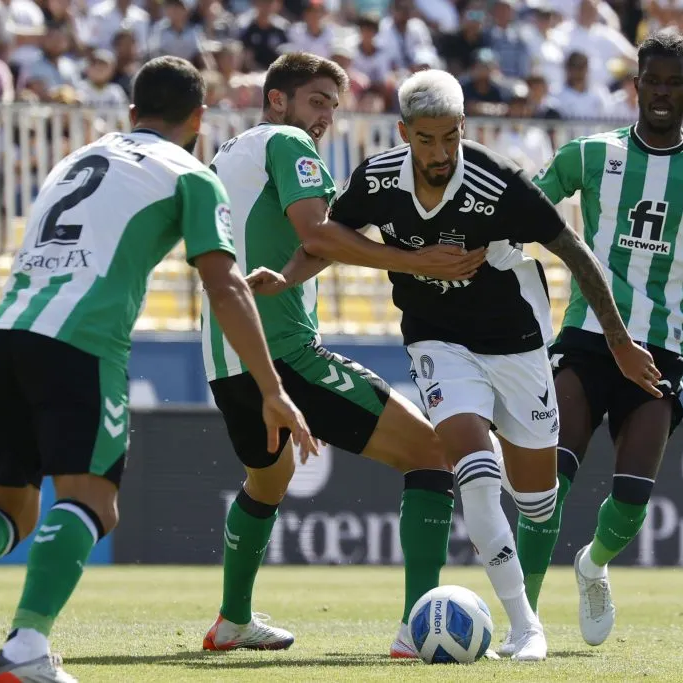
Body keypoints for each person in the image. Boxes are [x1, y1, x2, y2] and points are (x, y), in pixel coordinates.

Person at [0, 56, 315, 683]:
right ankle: (24, 650)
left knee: (10, 510)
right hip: (81, 343)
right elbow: (226, 286)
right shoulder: (190, 174)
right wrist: (271, 387)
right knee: (93, 502)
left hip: (0, 336)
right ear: (199, 119)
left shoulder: (76, 158)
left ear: (131, 113)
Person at [264, 67, 660, 661]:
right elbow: (327, 238)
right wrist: (286, 279)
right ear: (403, 133)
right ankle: (526, 627)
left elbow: (575, 253)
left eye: (451, 136)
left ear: (462, 128)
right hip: (436, 341)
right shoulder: (375, 180)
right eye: (426, 139)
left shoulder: (499, 182)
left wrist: (620, 343)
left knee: (538, 500)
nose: (441, 151)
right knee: (473, 475)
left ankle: (511, 501)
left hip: (518, 343)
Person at [200, 52, 487, 657]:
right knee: (432, 454)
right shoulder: (288, 143)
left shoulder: (230, 154)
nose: (326, 115)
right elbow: (320, 234)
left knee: (267, 481)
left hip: (228, 359)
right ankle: (419, 628)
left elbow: (308, 242)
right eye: (316, 100)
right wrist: (415, 260)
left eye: (333, 104)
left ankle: (232, 620)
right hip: (286, 353)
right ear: (278, 100)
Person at [506, 31, 683, 653]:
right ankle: (525, 623)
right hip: (587, 339)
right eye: (653, 80)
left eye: (676, 82)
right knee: (549, 479)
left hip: (662, 350)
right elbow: (526, 205)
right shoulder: (590, 155)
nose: (663, 92)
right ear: (635, 85)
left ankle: (593, 564)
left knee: (632, 501)